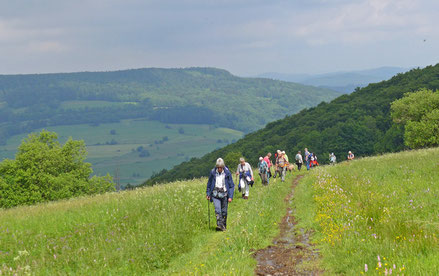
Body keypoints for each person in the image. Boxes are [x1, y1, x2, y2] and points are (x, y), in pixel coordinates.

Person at [206, 158, 234, 231]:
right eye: (218, 167)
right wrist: (208, 193)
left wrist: (230, 196)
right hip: (215, 194)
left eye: (221, 167)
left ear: (223, 167)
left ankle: (223, 225)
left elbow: (231, 185)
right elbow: (209, 184)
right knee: (217, 210)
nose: (219, 169)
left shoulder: (227, 173)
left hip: (224, 195)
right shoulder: (213, 172)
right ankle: (219, 225)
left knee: (224, 211)